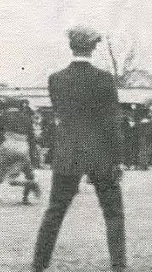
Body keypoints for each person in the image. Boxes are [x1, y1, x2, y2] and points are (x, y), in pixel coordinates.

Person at [33, 26, 126, 272]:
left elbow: (61, 115)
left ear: (71, 46)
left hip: (68, 152)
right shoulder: (105, 79)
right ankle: (119, 265)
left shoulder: (55, 79)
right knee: (113, 213)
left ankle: (38, 264)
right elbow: (112, 123)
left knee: (55, 212)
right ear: (93, 47)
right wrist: (118, 158)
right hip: (101, 154)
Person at [0, 104, 42, 205]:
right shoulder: (26, 118)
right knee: (28, 173)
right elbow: (31, 138)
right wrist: (31, 153)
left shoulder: (4, 116)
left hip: (9, 144)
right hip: (24, 146)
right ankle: (25, 197)